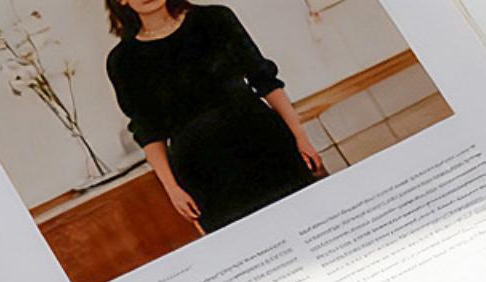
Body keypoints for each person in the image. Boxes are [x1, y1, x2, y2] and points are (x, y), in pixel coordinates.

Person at [105, 1, 326, 236]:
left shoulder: (215, 19)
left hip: (266, 144)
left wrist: (300, 137)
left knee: (312, 227)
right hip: (203, 171)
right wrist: (172, 188)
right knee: (250, 245)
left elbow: (265, 80)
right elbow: (148, 131)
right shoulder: (123, 61)